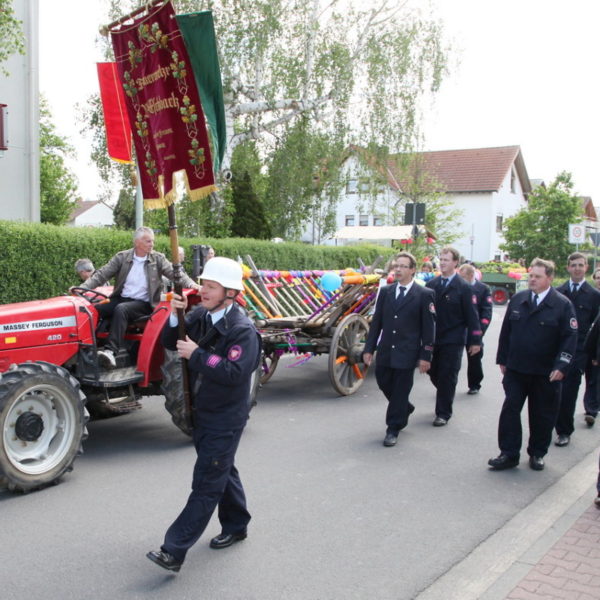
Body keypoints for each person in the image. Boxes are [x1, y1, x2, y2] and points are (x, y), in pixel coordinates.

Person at [146, 257, 261, 573]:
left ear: (231, 293)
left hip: (225, 416)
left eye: (211, 287)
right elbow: (172, 342)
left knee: (207, 481)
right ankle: (237, 524)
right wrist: (176, 315)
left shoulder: (242, 330)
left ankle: (174, 549)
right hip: (202, 410)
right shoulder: (200, 315)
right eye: (204, 284)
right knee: (222, 468)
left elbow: (234, 372)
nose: (203, 291)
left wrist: (198, 355)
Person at [489, 258, 577, 472]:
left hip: (545, 373)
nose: (532, 280)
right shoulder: (519, 300)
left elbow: (569, 339)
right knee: (510, 410)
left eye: (537, 276)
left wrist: (561, 366)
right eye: (531, 276)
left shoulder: (562, 305)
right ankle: (508, 453)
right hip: (517, 369)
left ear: (550, 278)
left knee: (542, 415)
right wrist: (503, 359)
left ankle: (537, 453)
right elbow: (506, 333)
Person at [80, 226, 199, 368]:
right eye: (148, 241)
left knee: (121, 309)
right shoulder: (122, 257)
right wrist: (82, 289)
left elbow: (177, 275)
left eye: (152, 241)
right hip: (122, 298)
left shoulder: (158, 259)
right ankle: (87, 349)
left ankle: (110, 352)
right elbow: (101, 275)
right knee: (93, 309)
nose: (152, 244)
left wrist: (193, 285)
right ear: (137, 242)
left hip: (145, 303)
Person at [363, 252, 436, 446]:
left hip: (408, 351)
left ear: (413, 270)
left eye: (403, 266)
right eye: (397, 266)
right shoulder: (386, 292)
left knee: (401, 390)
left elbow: (429, 329)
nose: (398, 269)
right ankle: (404, 407)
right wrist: (369, 348)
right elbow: (376, 322)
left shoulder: (424, 294)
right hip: (386, 349)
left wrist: (426, 355)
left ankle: (393, 428)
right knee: (383, 381)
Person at [426, 247, 482, 426]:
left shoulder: (463, 287)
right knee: (432, 371)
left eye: (446, 260)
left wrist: (475, 340)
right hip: (434, 338)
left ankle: (443, 413)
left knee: (447, 375)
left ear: (455, 263)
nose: (442, 263)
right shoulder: (432, 285)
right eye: (441, 259)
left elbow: (472, 316)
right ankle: (445, 393)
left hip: (453, 338)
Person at [554, 252, 600, 445]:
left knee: (570, 391)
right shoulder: (558, 291)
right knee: (551, 391)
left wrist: (594, 354)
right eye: (573, 265)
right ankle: (549, 425)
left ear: (586, 268)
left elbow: (597, 330)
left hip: (579, 351)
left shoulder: (595, 296)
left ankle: (564, 431)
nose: (577, 268)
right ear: (568, 268)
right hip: (556, 350)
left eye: (580, 265)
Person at [458, 263, 493, 394]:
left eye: (463, 277)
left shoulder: (483, 289)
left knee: (475, 358)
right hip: (459, 328)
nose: (460, 280)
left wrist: (479, 332)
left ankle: (474, 384)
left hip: (474, 329)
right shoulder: (458, 287)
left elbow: (486, 312)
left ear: (471, 275)